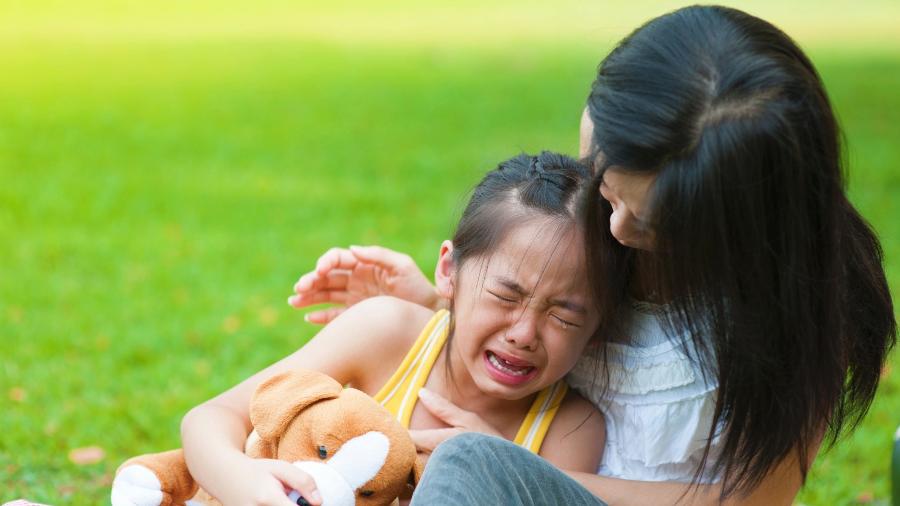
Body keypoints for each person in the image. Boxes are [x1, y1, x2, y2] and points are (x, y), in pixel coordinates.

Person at [289, 5, 896, 505]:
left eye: (660, 224)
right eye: (605, 187)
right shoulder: (597, 227)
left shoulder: (809, 308)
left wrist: (510, 468)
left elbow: (745, 502)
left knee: (468, 469)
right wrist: (437, 305)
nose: (618, 228)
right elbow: (544, 332)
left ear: (742, 222)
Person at [181, 152, 607, 506]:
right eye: (506, 296)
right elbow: (213, 417)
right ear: (448, 271)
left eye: (564, 316)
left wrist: (492, 462)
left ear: (598, 324)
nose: (524, 333)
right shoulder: (389, 333)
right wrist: (245, 483)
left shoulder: (569, 426)